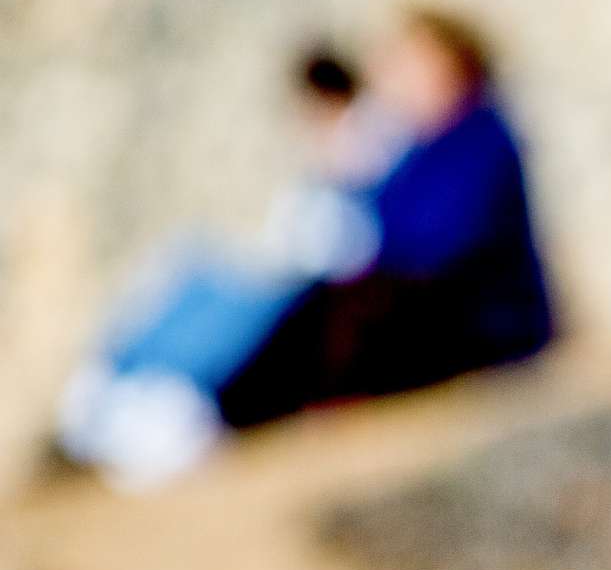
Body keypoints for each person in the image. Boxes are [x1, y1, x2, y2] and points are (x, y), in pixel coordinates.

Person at [53, 46, 398, 488]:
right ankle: (124, 379)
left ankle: (152, 390)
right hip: (290, 272)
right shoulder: (342, 151)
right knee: (188, 266)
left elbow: (345, 240)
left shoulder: (368, 145)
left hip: (305, 281)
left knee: (207, 293)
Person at [213, 6, 556, 429]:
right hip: (442, 310)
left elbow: (437, 246)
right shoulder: (418, 147)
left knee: (339, 312)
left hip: (483, 323)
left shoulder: (479, 138)